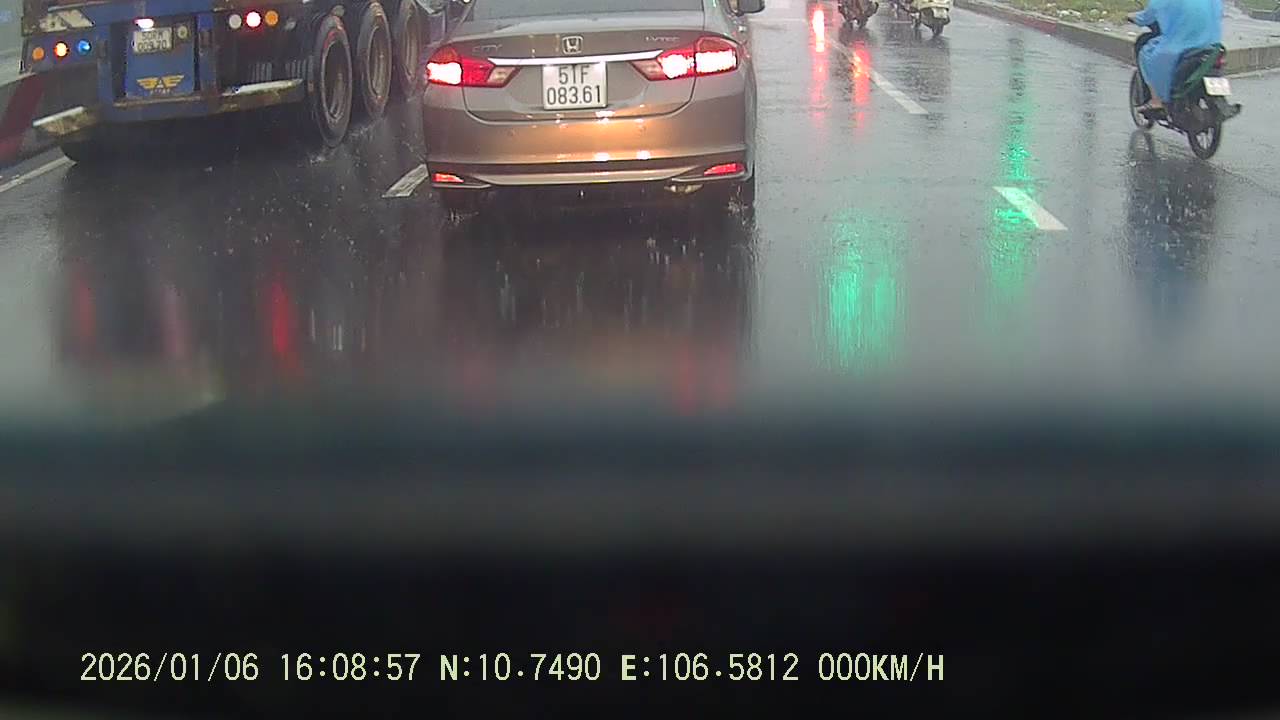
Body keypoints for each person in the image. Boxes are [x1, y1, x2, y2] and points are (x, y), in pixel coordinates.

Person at [1128, 0, 1223, 113]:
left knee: (1146, 54)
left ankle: (1156, 100)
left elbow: (1146, 17)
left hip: (1182, 42)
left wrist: (1132, 17)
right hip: (1211, 43)